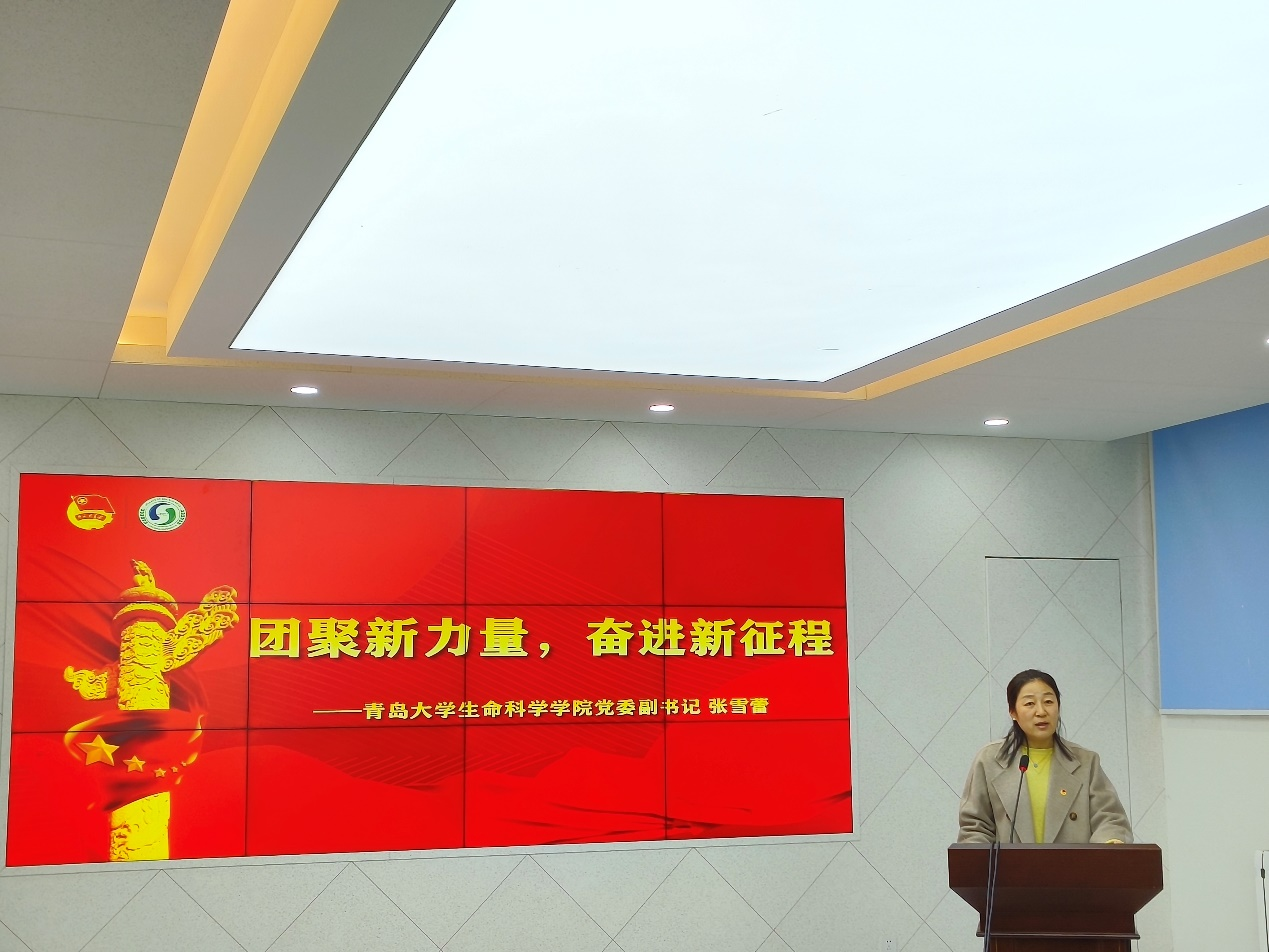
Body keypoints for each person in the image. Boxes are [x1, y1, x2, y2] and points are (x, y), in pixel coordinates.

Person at [957, 669, 1132, 844]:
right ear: (1013, 712)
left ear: (1058, 707)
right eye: (1029, 703)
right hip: (1011, 863)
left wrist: (1110, 843)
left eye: (1048, 702)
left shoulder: (1086, 762)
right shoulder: (989, 760)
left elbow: (1110, 818)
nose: (1041, 711)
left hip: (1072, 862)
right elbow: (975, 827)